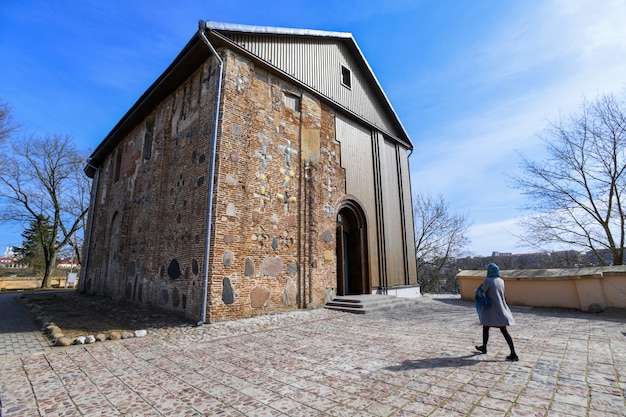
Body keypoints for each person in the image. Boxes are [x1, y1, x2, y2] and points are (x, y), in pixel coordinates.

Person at [475, 263, 519, 361]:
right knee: (503, 330)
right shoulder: (501, 281)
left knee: (486, 327)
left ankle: (485, 348)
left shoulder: (488, 280)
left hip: (490, 308)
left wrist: (478, 292)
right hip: (500, 308)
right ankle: (512, 352)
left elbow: (482, 292)